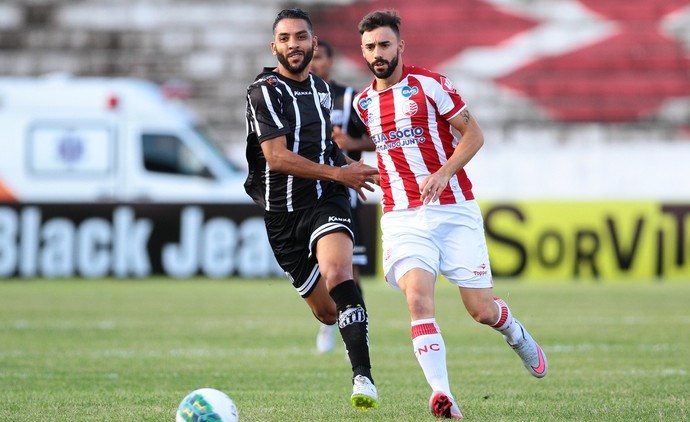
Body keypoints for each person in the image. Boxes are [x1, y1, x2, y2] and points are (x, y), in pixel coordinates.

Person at [352, 10, 548, 419]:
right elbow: (390, 150)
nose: (378, 53)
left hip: (453, 209)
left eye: (385, 44)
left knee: (480, 310)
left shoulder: (431, 85)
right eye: (370, 47)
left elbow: (474, 135)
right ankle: (443, 396)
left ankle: (516, 333)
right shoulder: (363, 101)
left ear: (400, 45)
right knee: (418, 300)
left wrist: (443, 173)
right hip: (403, 215)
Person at [243, 8, 380, 410]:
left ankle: (363, 378)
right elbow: (278, 159)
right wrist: (341, 174)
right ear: (275, 47)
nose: (294, 45)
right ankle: (349, 334)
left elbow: (325, 145)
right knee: (326, 312)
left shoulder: (322, 90)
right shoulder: (263, 91)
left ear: (313, 43)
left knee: (341, 271)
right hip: (282, 215)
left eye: (301, 37)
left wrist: (345, 165)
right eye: (285, 39)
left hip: (324, 199)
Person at [309, 39, 376, 354]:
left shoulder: (348, 98)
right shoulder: (297, 96)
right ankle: (327, 322)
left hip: (343, 194)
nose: (314, 63)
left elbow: (378, 138)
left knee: (350, 269)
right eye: (311, 57)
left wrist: (350, 142)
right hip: (308, 194)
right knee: (322, 269)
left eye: (319, 57)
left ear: (331, 61)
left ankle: (356, 331)